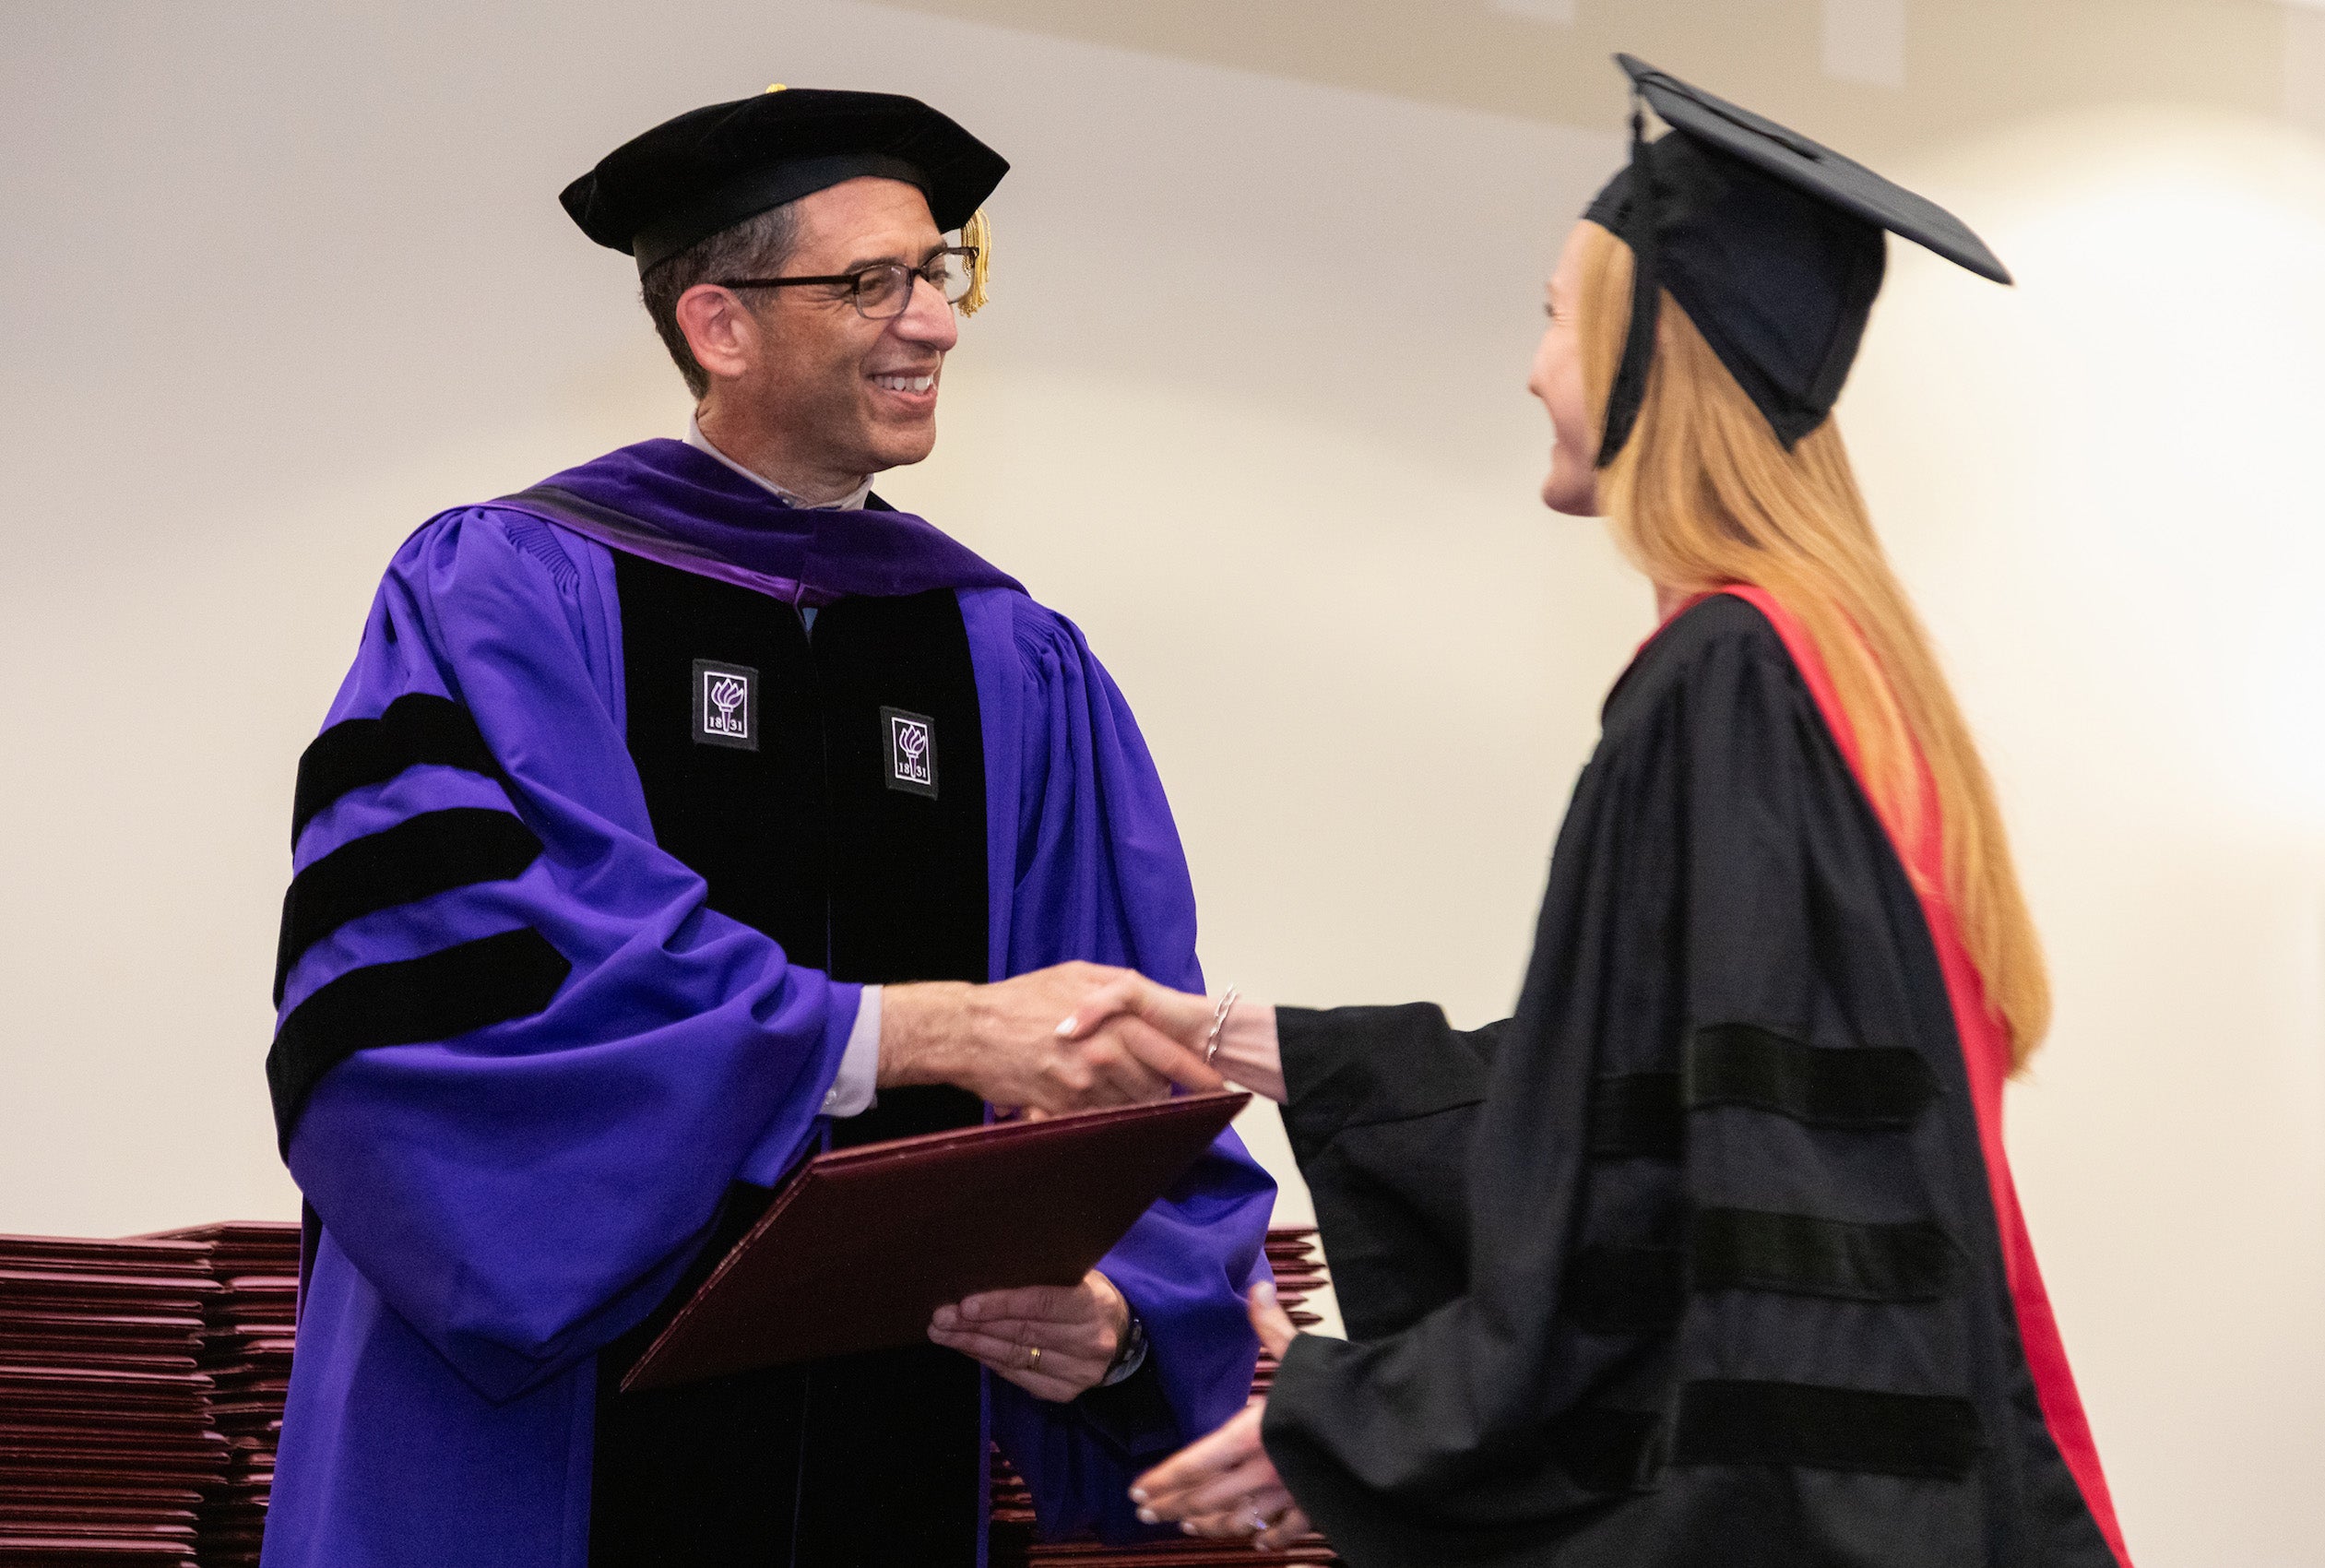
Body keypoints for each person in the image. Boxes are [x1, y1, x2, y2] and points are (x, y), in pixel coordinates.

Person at [1083, 56, 2134, 1568]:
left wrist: (1360, 1423)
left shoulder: (1725, 682)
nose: (1530, 368)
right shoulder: (1828, 666)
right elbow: (1655, 1095)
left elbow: (1678, 1201)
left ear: (1654, 359)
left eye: (1554, 316)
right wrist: (1252, 1044)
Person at [259, 86, 1274, 1568]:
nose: (931, 322)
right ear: (720, 325)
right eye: (872, 281)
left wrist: (1123, 1319)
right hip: (538, 1456)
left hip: (894, 1444)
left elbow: (1124, 1035)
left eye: (943, 274)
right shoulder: (501, 594)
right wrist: (895, 1035)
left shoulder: (1009, 659)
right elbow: (465, 979)